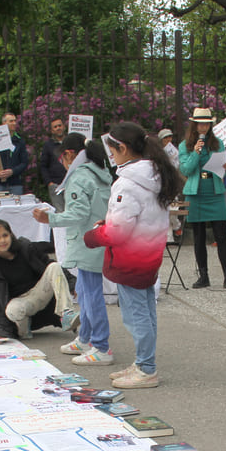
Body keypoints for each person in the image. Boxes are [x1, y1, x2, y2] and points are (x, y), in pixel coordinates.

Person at [85, 122, 183, 389]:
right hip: (149, 254)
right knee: (145, 310)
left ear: (123, 148)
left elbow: (118, 231)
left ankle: (146, 368)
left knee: (136, 314)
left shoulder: (128, 183)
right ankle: (143, 363)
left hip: (131, 258)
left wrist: (93, 235)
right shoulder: (155, 174)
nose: (111, 155)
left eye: (112, 150)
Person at [33, 134, 113, 365]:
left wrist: (50, 218)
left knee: (91, 294)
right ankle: (87, 337)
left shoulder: (79, 177)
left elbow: (78, 213)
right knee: (85, 290)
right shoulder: (99, 172)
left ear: (68, 155)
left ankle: (101, 346)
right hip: (96, 238)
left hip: (87, 240)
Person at [0, 219, 78, 343]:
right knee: (12, 310)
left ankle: (66, 313)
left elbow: (48, 265)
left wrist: (73, 284)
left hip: (40, 293)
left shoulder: (25, 248)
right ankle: (23, 332)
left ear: (11, 235)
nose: (2, 240)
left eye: (5, 235)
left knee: (54, 266)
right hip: (20, 305)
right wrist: (1, 332)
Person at [179, 107, 226, 291]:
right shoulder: (184, 146)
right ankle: (203, 276)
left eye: (206, 124)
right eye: (200, 123)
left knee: (221, 235)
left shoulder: (218, 143)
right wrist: (196, 152)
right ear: (194, 125)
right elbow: (186, 170)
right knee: (199, 235)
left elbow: (221, 166)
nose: (203, 127)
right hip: (196, 193)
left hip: (214, 191)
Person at [0, 112, 28, 195]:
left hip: (15, 184)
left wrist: (12, 171)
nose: (14, 123)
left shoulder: (19, 141)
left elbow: (24, 162)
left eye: (15, 121)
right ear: (4, 123)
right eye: (11, 121)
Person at [38, 117, 67, 208]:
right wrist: (49, 182)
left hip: (72, 183)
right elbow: (43, 165)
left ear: (64, 127)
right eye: (55, 127)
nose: (58, 128)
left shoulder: (70, 142)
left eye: (59, 125)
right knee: (59, 212)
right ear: (52, 131)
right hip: (55, 184)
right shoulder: (48, 145)